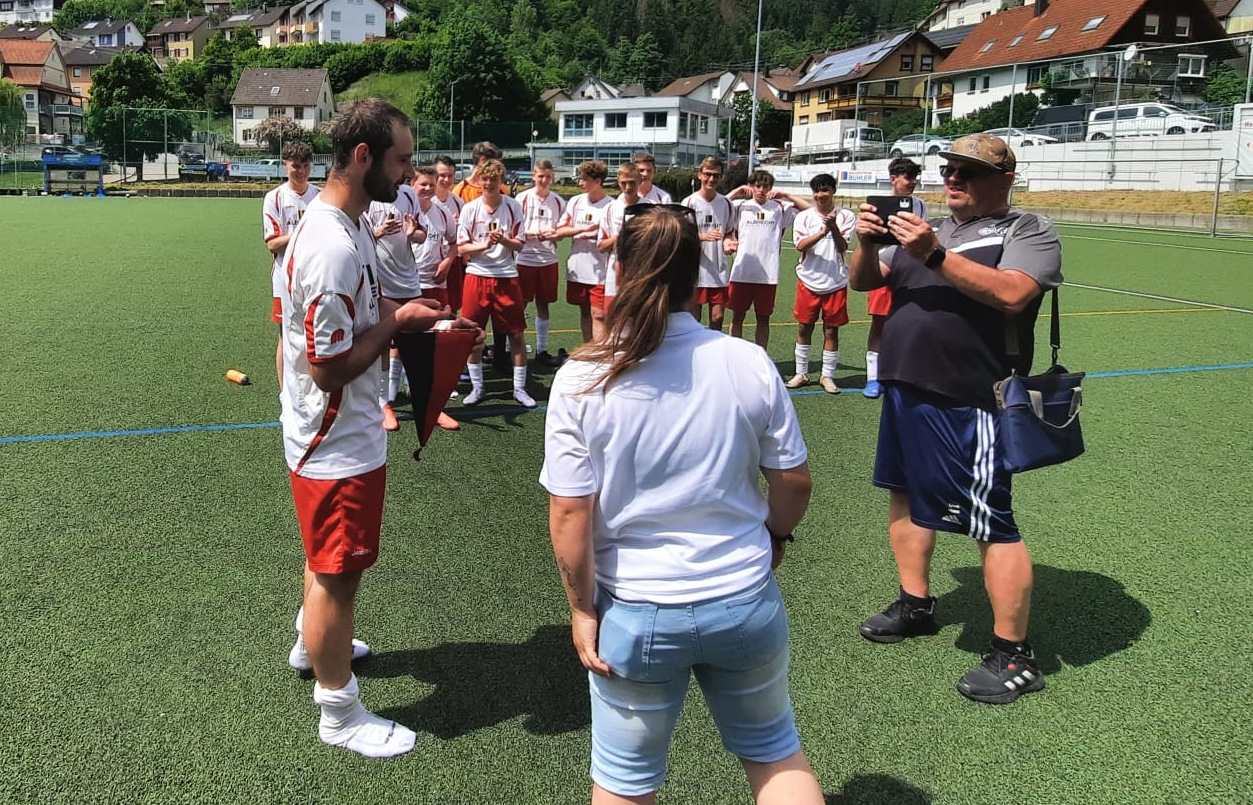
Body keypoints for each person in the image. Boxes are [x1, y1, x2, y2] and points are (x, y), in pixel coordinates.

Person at [541, 204, 824, 805]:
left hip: (636, 610)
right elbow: (793, 483)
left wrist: (581, 607)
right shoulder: (746, 361)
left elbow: (570, 514)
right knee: (775, 754)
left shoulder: (581, 377)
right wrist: (775, 536)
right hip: (743, 598)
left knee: (623, 783)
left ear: (616, 270)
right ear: (699, 277)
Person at [280, 98, 477, 755]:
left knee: (325, 559)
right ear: (363, 157)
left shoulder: (351, 221)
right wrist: (396, 324)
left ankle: (318, 644)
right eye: (400, 159)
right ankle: (338, 712)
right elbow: (329, 368)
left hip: (331, 431)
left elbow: (367, 309)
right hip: (335, 436)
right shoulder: (332, 244)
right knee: (339, 570)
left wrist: (414, 314)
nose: (409, 170)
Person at [847, 134, 1062, 704]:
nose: (953, 178)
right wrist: (867, 244)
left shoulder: (1026, 230)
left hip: (971, 397)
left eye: (968, 170)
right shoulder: (932, 229)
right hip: (904, 387)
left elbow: (1015, 294)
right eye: (950, 168)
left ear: (1004, 179)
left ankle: (1015, 655)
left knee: (991, 520)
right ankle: (915, 604)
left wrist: (935, 257)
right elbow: (864, 281)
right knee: (904, 495)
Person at [456, 158, 535, 408]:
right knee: (473, 334)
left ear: (501, 181)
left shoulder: (513, 207)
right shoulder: (470, 209)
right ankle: (478, 387)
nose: (488, 183)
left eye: (494, 179)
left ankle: (519, 388)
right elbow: (461, 247)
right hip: (477, 275)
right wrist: (485, 245)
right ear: (478, 181)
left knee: (516, 335)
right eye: (485, 179)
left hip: (506, 277)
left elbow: (520, 244)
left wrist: (503, 241)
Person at [365, 167, 427, 431]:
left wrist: (413, 234)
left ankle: (423, 401)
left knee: (416, 339)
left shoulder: (408, 195)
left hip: (409, 278)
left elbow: (422, 235)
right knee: (383, 341)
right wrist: (377, 232)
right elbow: (357, 237)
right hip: (381, 280)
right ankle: (382, 402)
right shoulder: (368, 194)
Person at [863, 158, 927, 399]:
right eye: (908, 177)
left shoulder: (921, 205)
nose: (912, 182)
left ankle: (903, 373)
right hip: (883, 272)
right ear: (893, 179)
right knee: (879, 325)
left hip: (910, 273)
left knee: (910, 323)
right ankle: (873, 378)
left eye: (914, 177)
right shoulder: (877, 205)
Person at [786, 173, 856, 394]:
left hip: (835, 281)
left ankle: (827, 376)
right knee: (804, 327)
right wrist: (822, 231)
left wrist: (833, 228)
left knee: (831, 331)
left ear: (833, 191)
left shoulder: (846, 216)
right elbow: (800, 245)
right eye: (816, 190)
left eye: (825, 190)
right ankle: (801, 372)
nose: (820, 195)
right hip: (808, 280)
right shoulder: (804, 217)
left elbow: (843, 247)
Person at [725, 170, 810, 349]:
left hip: (768, 275)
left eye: (766, 186)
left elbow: (809, 210)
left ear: (771, 188)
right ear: (751, 187)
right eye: (757, 186)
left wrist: (786, 194)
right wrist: (737, 190)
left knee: (763, 319)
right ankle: (736, 354)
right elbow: (720, 205)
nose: (761, 190)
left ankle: (761, 355)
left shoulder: (779, 207)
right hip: (741, 273)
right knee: (737, 317)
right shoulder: (740, 205)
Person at [410, 164, 462, 431]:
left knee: (434, 340)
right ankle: (387, 399)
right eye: (423, 184)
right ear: (412, 185)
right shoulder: (405, 210)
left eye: (432, 184)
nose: (428, 188)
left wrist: (448, 262)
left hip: (435, 283)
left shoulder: (444, 213)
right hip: (408, 284)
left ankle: (433, 404)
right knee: (400, 342)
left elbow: (454, 244)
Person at [262, 141, 318, 386]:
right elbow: (272, 244)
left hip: (316, 275)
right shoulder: (274, 198)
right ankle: (286, 393)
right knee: (286, 335)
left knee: (315, 332)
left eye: (306, 166)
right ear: (285, 165)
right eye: (296, 166)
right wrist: (302, 232)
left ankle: (312, 387)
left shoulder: (320, 197)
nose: (301, 171)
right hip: (284, 278)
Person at [515, 159, 566, 367]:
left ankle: (541, 350)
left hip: (548, 259)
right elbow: (513, 228)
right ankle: (513, 348)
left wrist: (553, 234)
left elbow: (562, 232)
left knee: (544, 304)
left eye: (547, 176)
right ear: (533, 176)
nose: (543, 180)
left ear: (552, 177)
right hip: (525, 258)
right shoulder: (522, 198)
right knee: (520, 304)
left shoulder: (558, 201)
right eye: (540, 176)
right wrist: (530, 233)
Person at [555, 160, 612, 343]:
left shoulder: (611, 205)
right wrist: (583, 231)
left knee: (599, 313)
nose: (580, 183)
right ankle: (589, 348)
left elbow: (614, 237)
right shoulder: (575, 201)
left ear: (598, 181)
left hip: (601, 269)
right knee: (585, 311)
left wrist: (597, 235)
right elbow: (561, 230)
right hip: (578, 268)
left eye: (584, 179)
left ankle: (600, 352)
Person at [680, 156, 733, 331]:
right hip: (695, 272)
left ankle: (713, 355)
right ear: (700, 175)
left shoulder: (726, 203)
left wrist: (728, 244)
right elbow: (681, 235)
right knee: (693, 319)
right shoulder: (688, 202)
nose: (711, 179)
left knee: (717, 318)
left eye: (716, 175)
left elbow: (728, 233)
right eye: (708, 174)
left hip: (718, 271)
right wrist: (702, 236)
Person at [596, 162, 641, 311]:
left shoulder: (650, 208)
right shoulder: (610, 208)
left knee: (638, 317)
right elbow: (601, 246)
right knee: (613, 318)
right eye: (624, 183)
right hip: (615, 271)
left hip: (641, 270)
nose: (628, 188)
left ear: (640, 181)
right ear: (618, 182)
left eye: (632, 183)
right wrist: (620, 236)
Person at [432, 155, 466, 312]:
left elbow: (464, 234)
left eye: (450, 175)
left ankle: (450, 336)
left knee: (452, 307)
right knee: (432, 307)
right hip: (431, 261)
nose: (446, 179)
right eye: (441, 175)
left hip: (453, 260)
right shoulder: (427, 200)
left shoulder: (458, 203)